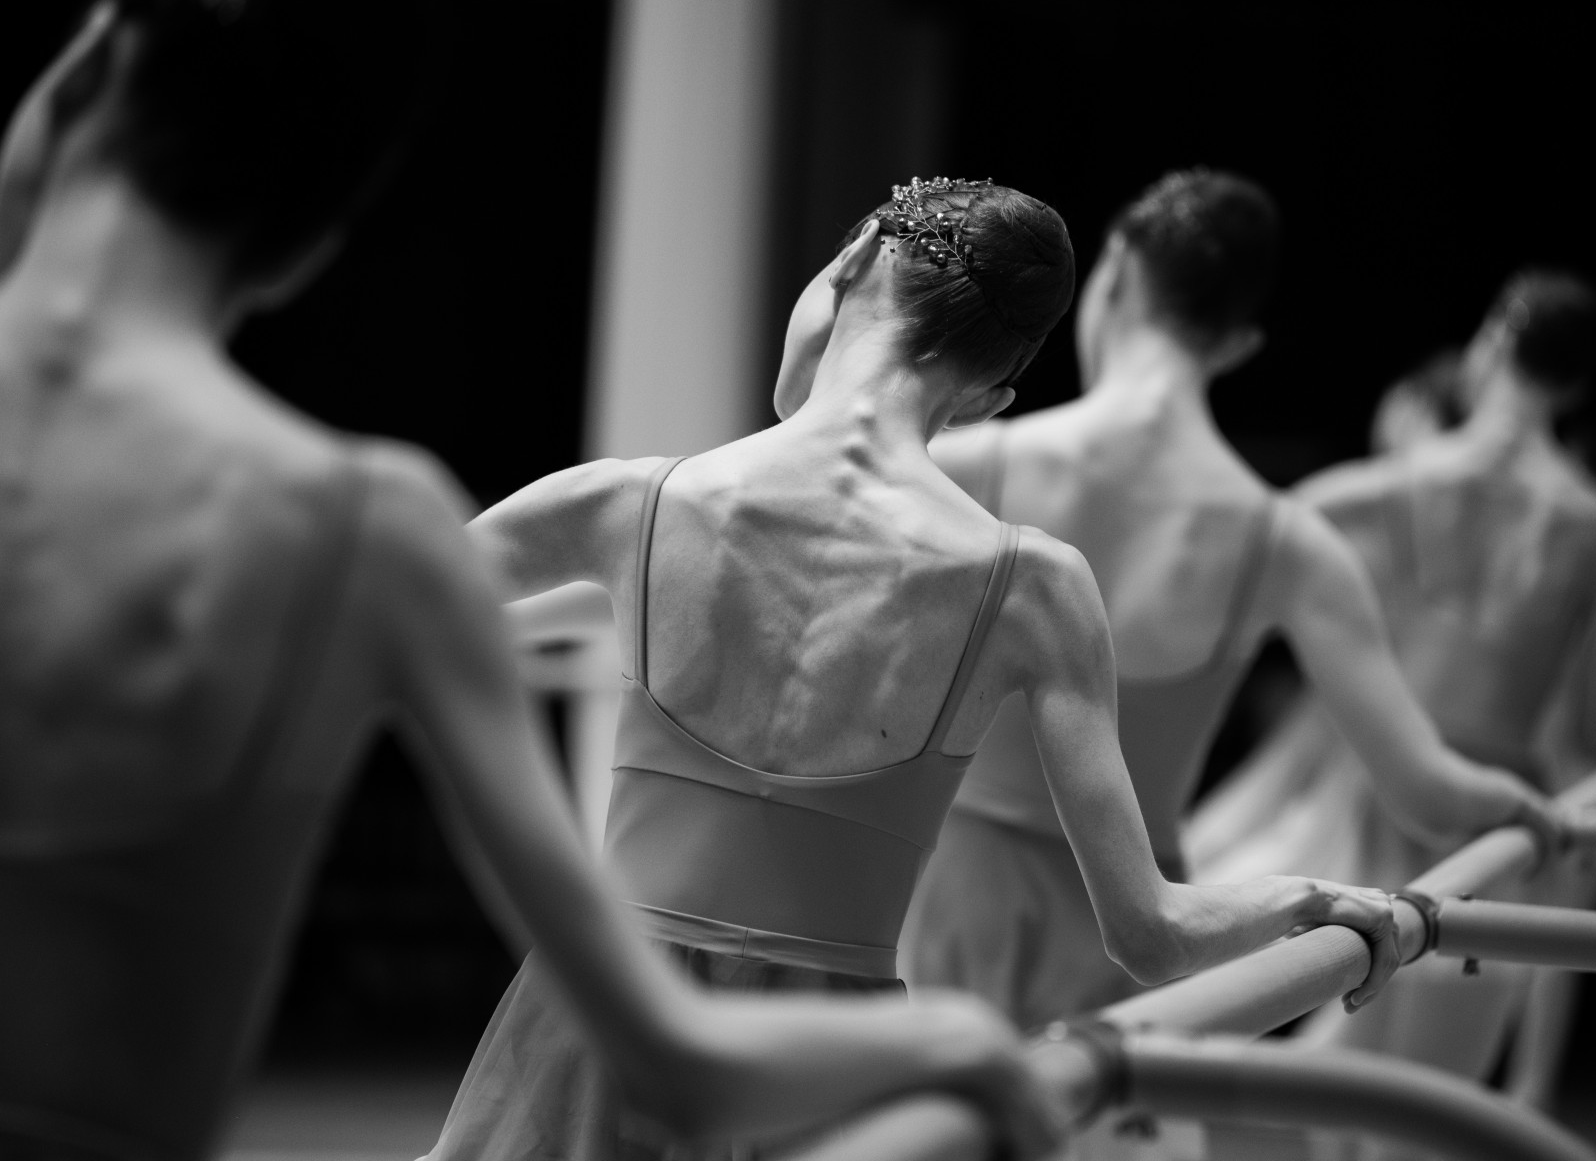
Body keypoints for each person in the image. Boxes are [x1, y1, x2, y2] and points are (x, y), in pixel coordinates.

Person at [0, 0, 1057, 1161]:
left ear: (84, 69)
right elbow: (680, 1062)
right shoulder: (366, 534)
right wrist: (968, 1043)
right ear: (308, 249)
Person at [442, 177, 1404, 1159]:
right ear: (989, 399)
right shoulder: (1033, 588)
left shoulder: (627, 505)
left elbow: (396, 629)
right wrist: (1308, 899)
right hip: (837, 1072)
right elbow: (1152, 935)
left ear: (854, 261)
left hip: (602, 1020)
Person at [901, 170, 1554, 1032]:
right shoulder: (1287, 543)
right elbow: (1426, 790)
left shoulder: (956, 464)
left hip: (947, 908)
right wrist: (1531, 807)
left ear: (1115, 270)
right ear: (1240, 343)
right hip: (1138, 933)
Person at [1196, 269, 1596, 1158]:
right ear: (1578, 385)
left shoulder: (1368, 492)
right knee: (1432, 1112)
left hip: (1387, 795)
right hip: (1494, 822)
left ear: (1492, 341)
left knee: (1341, 1088)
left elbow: (1229, 593)